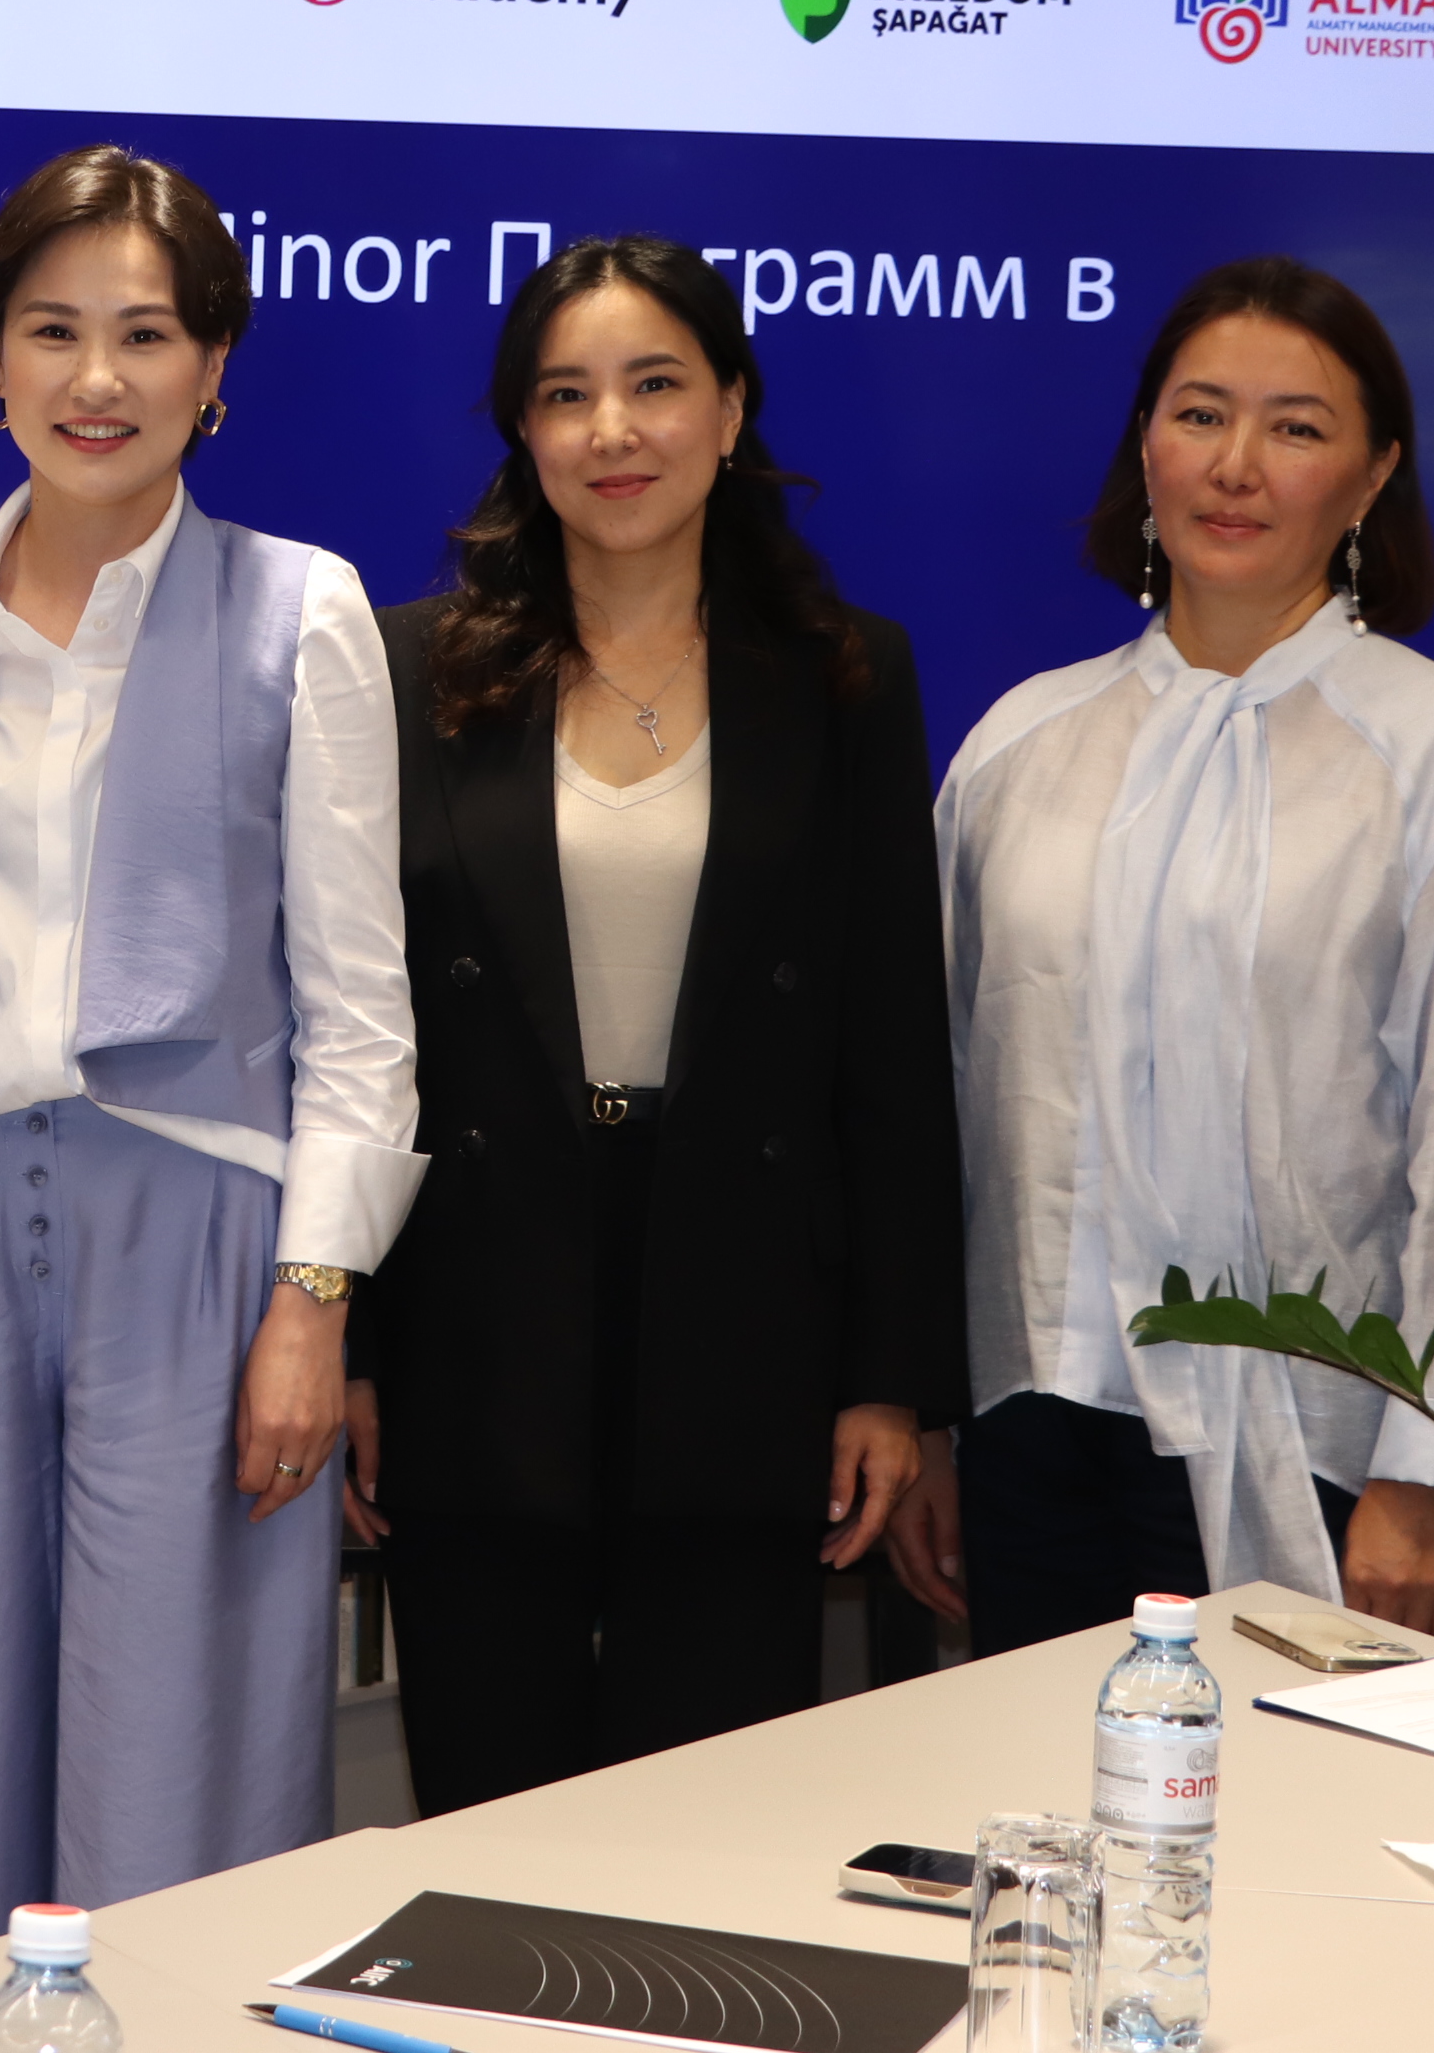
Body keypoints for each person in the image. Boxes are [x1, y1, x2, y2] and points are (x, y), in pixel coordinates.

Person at [0, 144, 423, 1976]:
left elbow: (361, 1007)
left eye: (147, 335)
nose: (98, 379)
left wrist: (314, 1301)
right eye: (53, 329)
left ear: (214, 368)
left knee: (179, 1779)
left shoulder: (302, 611)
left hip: (204, 1247)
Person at [348, 235, 966, 1813]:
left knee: (706, 1822)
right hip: (476, 1317)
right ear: (523, 430)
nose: (611, 431)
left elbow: (891, 1048)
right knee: (487, 1806)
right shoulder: (408, 673)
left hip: (746, 1318)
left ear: (732, 410)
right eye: (566, 395)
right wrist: (348, 1343)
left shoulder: (844, 676)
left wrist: (890, 1380)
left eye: (654, 385)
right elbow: (352, 1035)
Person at [928, 255, 1434, 1653]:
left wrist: (1431, 1467)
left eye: (1297, 427)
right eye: (1201, 414)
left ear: (1374, 474)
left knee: (1288, 1789)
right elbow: (944, 1102)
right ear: (1146, 443)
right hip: (1030, 1420)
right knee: (1029, 1781)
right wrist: (924, 1421)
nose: (1236, 466)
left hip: (1318, 1439)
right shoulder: (1018, 745)